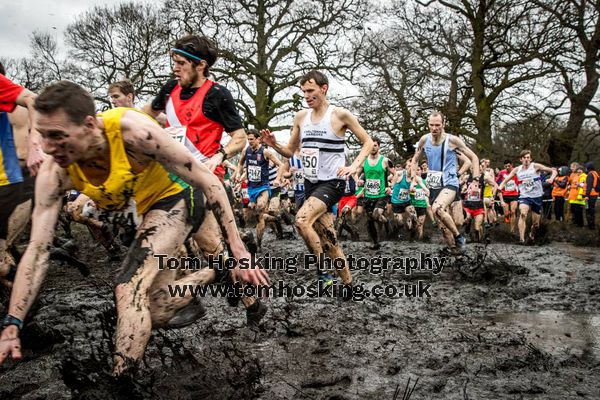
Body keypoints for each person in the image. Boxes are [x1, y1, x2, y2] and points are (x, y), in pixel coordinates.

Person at [0, 81, 268, 376]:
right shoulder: (55, 171)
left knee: (129, 287)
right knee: (158, 308)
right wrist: (14, 322)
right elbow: (37, 250)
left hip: (178, 196)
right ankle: (220, 271)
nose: (49, 148)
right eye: (43, 136)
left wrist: (238, 248)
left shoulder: (133, 131)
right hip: (146, 212)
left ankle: (120, 382)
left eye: (58, 137)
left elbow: (207, 179)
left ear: (89, 125)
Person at [260, 70, 373, 292]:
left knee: (301, 220)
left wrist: (354, 166)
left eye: (310, 91)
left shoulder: (340, 115)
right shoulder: (301, 117)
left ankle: (322, 271)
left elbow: (367, 142)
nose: (306, 95)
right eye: (303, 92)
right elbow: (290, 151)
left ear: (324, 89)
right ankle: (349, 285)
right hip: (312, 183)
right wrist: (273, 144)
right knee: (329, 240)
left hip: (333, 181)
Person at [0, 65, 44, 287]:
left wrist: (35, 143)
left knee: (4, 250)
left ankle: (27, 293)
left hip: (18, 182)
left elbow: (23, 153)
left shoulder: (17, 108)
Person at [410, 111, 479, 249]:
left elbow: (474, 158)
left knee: (438, 209)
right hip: (434, 185)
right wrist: (413, 179)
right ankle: (456, 253)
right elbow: (415, 160)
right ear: (428, 125)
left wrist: (475, 180)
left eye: (437, 125)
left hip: (449, 183)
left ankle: (459, 236)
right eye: (431, 125)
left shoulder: (453, 141)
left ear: (443, 125)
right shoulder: (424, 140)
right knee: (443, 227)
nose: (434, 128)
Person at [236, 129, 284, 249]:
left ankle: (258, 244)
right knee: (248, 216)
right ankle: (276, 219)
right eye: (248, 139)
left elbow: (281, 165)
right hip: (251, 188)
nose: (249, 141)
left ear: (258, 139)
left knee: (259, 211)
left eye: (252, 139)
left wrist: (278, 179)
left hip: (263, 187)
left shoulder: (265, 152)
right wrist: (238, 174)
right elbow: (240, 164)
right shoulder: (245, 151)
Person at [498, 150, 556, 243]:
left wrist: (552, 178)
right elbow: (506, 180)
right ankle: (521, 239)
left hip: (537, 196)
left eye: (528, 157)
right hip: (524, 196)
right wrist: (501, 186)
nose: (526, 159)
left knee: (536, 224)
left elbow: (553, 170)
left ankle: (532, 235)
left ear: (531, 159)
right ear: (521, 159)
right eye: (524, 158)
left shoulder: (536, 166)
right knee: (523, 213)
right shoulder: (517, 169)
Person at [356, 138, 394, 250]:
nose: (373, 148)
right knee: (369, 220)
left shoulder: (385, 160)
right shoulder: (363, 160)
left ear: (379, 146)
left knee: (376, 215)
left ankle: (386, 222)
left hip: (381, 194)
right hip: (368, 195)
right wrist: (358, 180)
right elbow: (356, 173)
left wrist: (390, 187)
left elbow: (395, 174)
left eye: (375, 145)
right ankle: (375, 242)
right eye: (371, 145)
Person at [497, 160, 519, 233]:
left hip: (514, 194)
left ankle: (512, 230)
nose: (507, 167)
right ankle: (506, 217)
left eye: (508, 166)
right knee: (506, 213)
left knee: (513, 211)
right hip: (505, 194)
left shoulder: (516, 171)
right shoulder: (502, 172)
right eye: (506, 166)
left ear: (511, 165)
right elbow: (496, 180)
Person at [584, 162, 598, 229]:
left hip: (590, 195)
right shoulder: (595, 173)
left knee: (588, 210)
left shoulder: (590, 174)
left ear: (588, 168)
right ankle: (592, 225)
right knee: (591, 210)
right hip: (594, 194)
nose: (585, 168)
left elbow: (589, 185)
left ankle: (590, 226)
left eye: (586, 167)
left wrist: (586, 195)